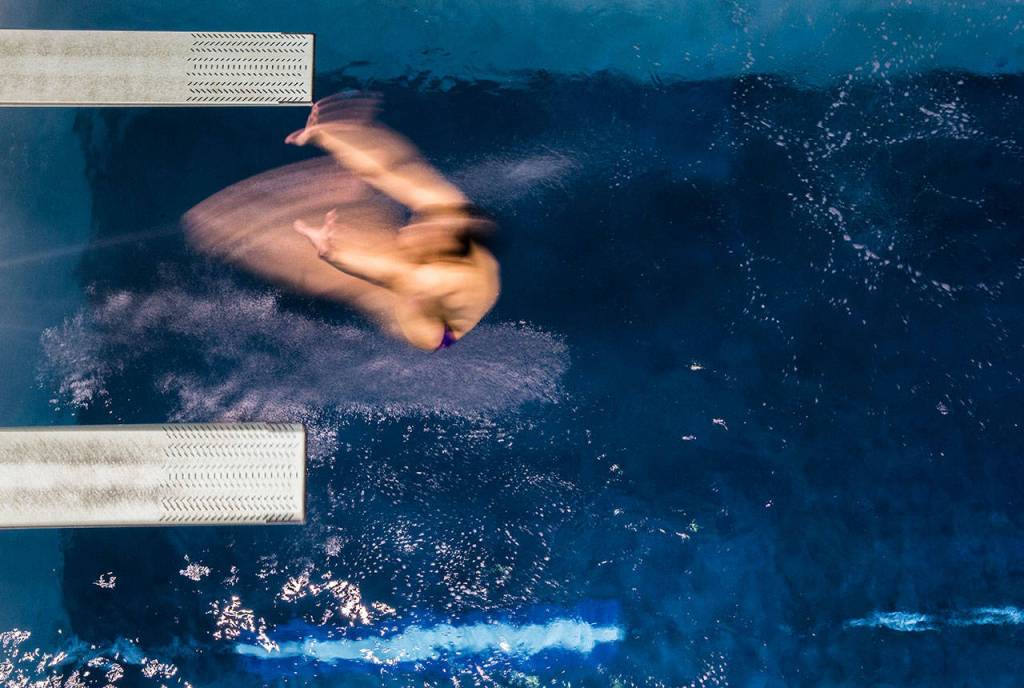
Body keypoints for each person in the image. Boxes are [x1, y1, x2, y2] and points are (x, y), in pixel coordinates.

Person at [284, 94, 500, 350]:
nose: (416, 224)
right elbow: (390, 170)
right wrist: (328, 136)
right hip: (453, 264)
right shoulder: (450, 210)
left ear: (441, 253)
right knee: (420, 192)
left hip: (435, 328)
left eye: (426, 232)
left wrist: (331, 253)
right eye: (428, 222)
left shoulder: (436, 278)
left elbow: (383, 273)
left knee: (365, 269)